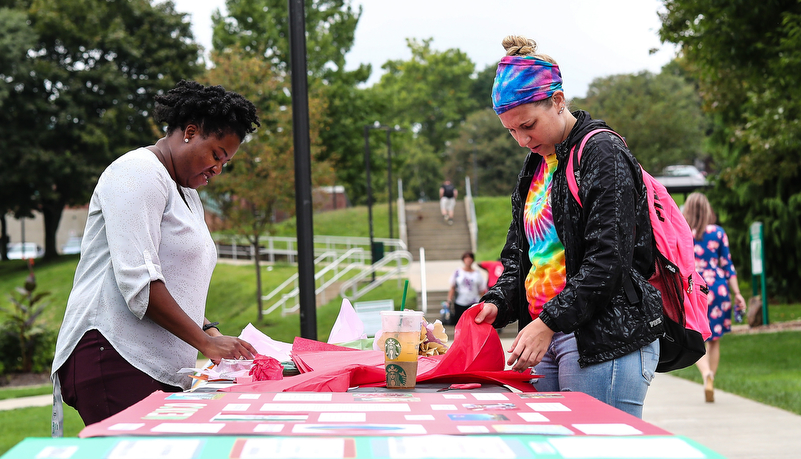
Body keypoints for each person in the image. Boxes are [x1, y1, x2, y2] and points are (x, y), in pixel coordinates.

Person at [474, 36, 664, 418]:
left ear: (558, 101)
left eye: (528, 125)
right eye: (511, 131)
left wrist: (548, 322)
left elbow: (608, 261)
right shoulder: (535, 165)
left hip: (603, 335)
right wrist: (497, 302)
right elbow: (520, 256)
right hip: (548, 332)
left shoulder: (602, 152)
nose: (522, 140)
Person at [51, 80, 261, 426]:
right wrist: (206, 346)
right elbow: (140, 281)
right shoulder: (136, 173)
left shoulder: (186, 192)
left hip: (152, 365)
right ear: (190, 132)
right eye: (216, 155)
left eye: (226, 162)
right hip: (114, 356)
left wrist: (211, 333)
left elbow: (175, 282)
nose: (217, 170)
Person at [682, 192, 746, 403]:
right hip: (717, 289)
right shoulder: (718, 233)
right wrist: (737, 293)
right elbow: (728, 265)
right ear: (708, 210)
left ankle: (705, 373)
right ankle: (711, 379)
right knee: (715, 339)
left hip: (695, 289)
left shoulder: (683, 233)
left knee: (696, 335)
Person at [448, 251, 488, 324]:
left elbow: (481, 290)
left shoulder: (477, 274)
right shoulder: (458, 272)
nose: (468, 260)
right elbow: (452, 287)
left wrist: (483, 302)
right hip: (460, 302)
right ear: (463, 260)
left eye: (470, 258)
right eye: (466, 258)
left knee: (472, 323)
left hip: (474, 302)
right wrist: (449, 300)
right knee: (460, 323)